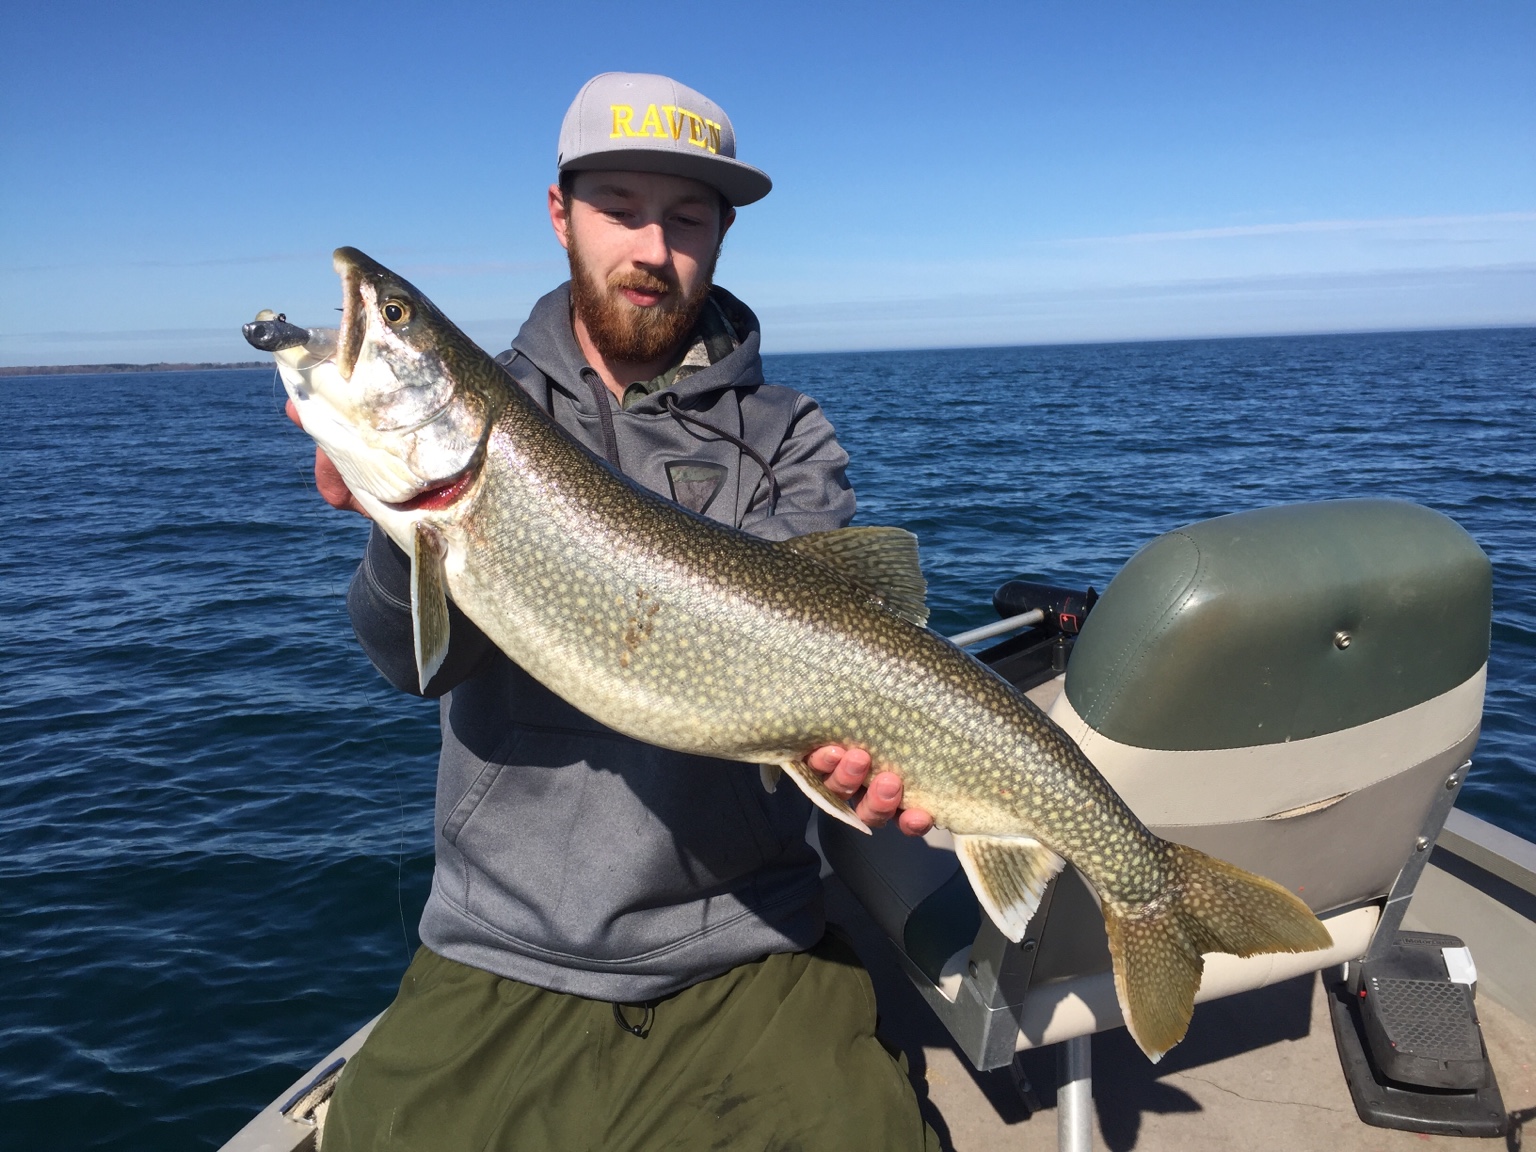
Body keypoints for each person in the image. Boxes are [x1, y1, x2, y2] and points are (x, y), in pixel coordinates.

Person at [300, 73, 939, 1151]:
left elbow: (824, 637)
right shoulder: (497, 406)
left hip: (751, 942)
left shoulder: (787, 434)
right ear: (561, 214)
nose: (653, 248)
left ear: (722, 235)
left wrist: (852, 753)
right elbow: (414, 666)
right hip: (499, 946)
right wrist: (397, 526)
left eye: (687, 218)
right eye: (620, 209)